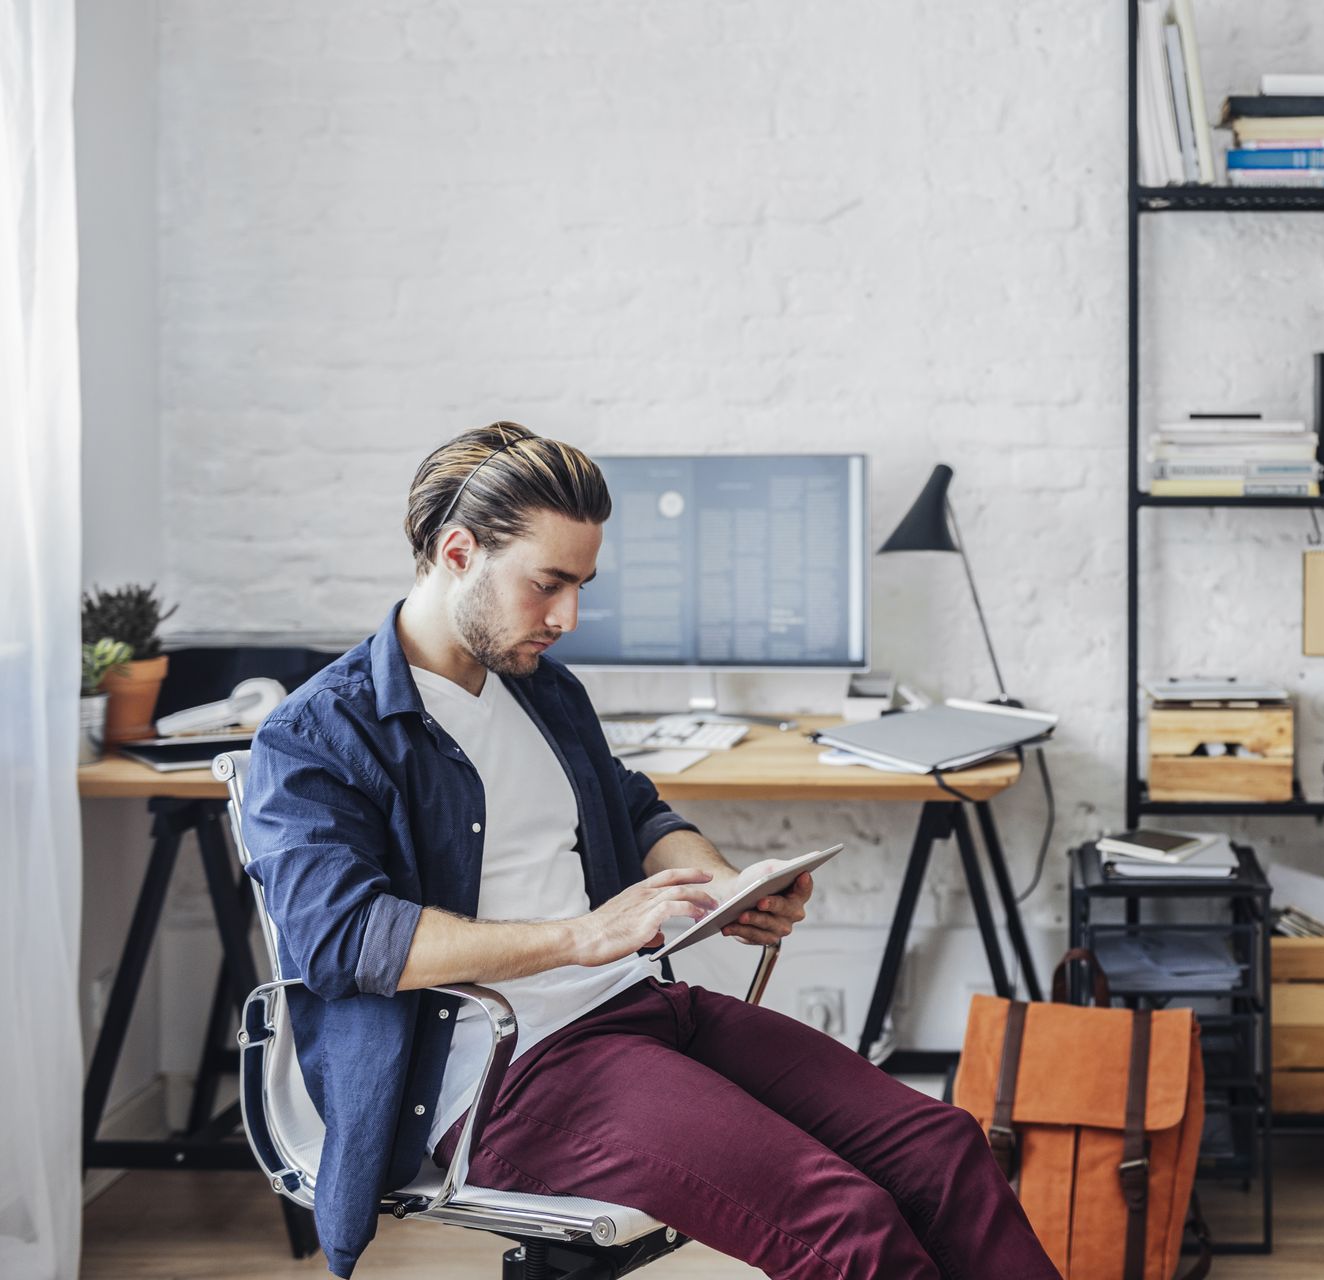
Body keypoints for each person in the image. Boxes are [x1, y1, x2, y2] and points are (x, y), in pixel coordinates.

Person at [243, 422, 1059, 1279]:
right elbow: (344, 941)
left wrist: (720, 881)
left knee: (941, 1145)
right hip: (501, 1071)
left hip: (637, 1009)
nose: (569, 618)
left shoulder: (544, 691)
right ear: (457, 552)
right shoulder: (317, 735)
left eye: (582, 585)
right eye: (548, 584)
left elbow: (632, 810)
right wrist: (580, 936)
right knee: (843, 1224)